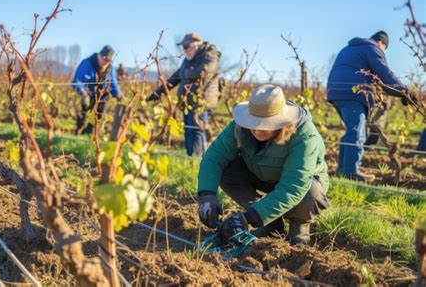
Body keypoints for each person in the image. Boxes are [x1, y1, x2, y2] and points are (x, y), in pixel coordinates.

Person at [197, 84, 330, 245]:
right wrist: (206, 195)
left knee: (311, 193)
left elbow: (294, 186)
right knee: (227, 169)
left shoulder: (304, 135)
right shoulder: (240, 126)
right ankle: (270, 224)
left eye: (266, 124)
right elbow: (214, 157)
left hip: (302, 185)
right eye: (254, 122)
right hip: (261, 174)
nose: (258, 129)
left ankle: (300, 228)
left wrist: (249, 217)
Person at [327, 31, 416, 182]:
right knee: (357, 132)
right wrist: (405, 92)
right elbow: (385, 74)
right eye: (384, 49)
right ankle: (350, 172)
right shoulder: (373, 48)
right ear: (382, 43)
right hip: (352, 93)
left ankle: (342, 171)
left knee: (351, 130)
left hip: (335, 92)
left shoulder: (348, 48)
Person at [147, 33, 221, 156]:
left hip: (200, 102)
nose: (184, 50)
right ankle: (190, 157)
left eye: (186, 46)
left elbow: (202, 72)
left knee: (196, 130)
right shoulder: (188, 59)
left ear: (196, 45)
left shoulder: (210, 55)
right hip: (188, 102)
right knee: (188, 130)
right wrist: (157, 93)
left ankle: (198, 160)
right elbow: (175, 77)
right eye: (183, 47)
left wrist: (184, 72)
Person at [72, 45, 121, 134]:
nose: (105, 61)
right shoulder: (87, 63)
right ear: (99, 55)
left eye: (108, 60)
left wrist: (119, 96)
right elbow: (77, 80)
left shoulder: (110, 69)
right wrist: (83, 93)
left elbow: (113, 85)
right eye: (104, 58)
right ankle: (78, 130)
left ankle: (88, 133)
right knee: (83, 114)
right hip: (87, 94)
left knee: (98, 116)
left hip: (102, 97)